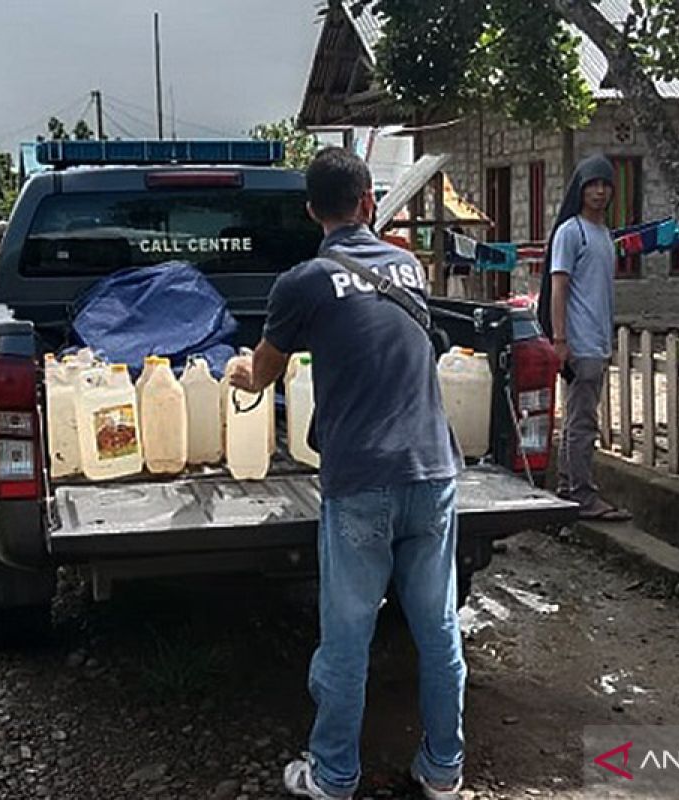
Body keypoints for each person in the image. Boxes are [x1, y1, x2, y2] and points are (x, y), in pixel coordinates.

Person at [227, 147, 465, 800]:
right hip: (433, 473)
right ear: (369, 203)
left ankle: (333, 775)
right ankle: (443, 770)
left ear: (311, 211)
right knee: (439, 630)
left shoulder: (302, 281)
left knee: (347, 639)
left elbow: (265, 372)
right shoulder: (409, 267)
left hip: (361, 480)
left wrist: (235, 370)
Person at [539, 155, 631, 521]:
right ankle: (582, 495)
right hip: (580, 343)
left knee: (579, 418)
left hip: (598, 340)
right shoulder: (571, 232)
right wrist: (561, 339)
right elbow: (558, 286)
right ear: (580, 188)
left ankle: (569, 488)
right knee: (582, 423)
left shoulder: (605, 234)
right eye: (592, 184)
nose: (599, 191)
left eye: (606, 184)